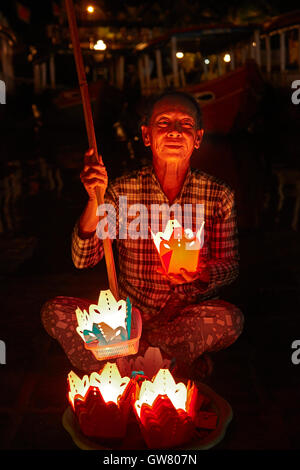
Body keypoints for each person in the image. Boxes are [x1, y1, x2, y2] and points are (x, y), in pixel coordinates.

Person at [41, 91, 244, 377]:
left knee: (229, 320)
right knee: (56, 312)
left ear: (197, 138)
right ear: (147, 136)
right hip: (126, 320)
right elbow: (82, 259)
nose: (174, 131)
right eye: (164, 123)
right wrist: (93, 198)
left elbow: (230, 266)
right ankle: (170, 363)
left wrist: (203, 273)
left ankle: (129, 362)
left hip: (181, 320)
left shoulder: (218, 195)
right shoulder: (122, 192)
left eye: (185, 124)